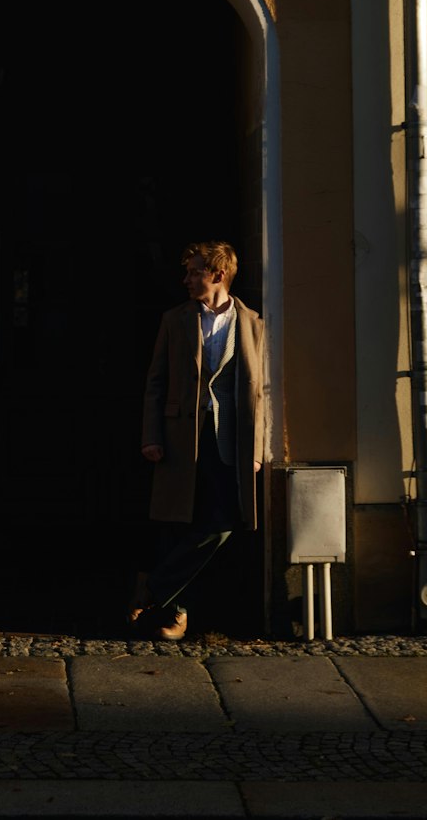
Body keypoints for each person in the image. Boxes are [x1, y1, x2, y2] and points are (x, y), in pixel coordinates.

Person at [133, 239, 265, 640]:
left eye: (194, 271)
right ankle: (176, 615)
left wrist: (256, 450)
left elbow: (263, 390)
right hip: (179, 437)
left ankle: (153, 587)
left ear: (218, 275)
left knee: (222, 522)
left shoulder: (253, 322)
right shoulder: (175, 319)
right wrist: (151, 435)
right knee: (177, 521)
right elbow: (155, 382)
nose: (186, 279)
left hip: (229, 441)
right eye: (188, 271)